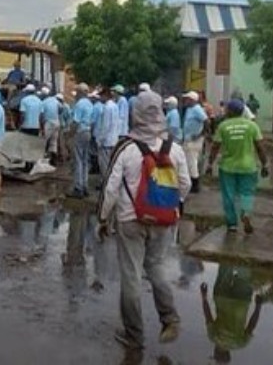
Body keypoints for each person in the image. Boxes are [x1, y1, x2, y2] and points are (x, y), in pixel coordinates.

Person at [96, 90, 191, 351]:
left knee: (131, 276)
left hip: (130, 220)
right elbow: (185, 184)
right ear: (160, 113)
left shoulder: (126, 148)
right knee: (156, 266)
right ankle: (170, 318)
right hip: (164, 220)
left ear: (136, 113)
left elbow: (110, 188)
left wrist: (103, 218)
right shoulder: (175, 148)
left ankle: (134, 336)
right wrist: (174, 207)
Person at [205, 99, 269, 234]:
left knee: (228, 195)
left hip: (228, 167)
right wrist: (265, 164)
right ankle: (245, 213)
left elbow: (215, 147)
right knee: (247, 193)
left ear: (230, 111)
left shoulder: (223, 126)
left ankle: (232, 224)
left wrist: (210, 164)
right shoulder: (252, 126)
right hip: (248, 167)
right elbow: (260, 147)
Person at [200, 265, 264, 363]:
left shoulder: (240, 343)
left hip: (241, 303)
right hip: (221, 298)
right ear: (216, 352)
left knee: (244, 275)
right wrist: (204, 297)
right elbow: (208, 315)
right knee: (225, 269)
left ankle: (244, 252)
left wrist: (258, 306)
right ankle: (229, 251)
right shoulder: (213, 337)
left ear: (229, 353)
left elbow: (252, 325)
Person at [67, 83, 94, 198]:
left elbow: (75, 122)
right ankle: (85, 185)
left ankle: (78, 187)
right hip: (88, 131)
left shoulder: (79, 104)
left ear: (80, 92)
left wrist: (69, 135)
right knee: (85, 160)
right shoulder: (90, 104)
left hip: (80, 132)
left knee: (78, 160)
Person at [182, 91, 209, 193]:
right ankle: (192, 182)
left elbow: (206, 121)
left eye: (187, 99)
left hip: (194, 141)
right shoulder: (190, 109)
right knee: (190, 161)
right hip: (188, 139)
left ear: (192, 100)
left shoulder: (197, 109)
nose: (185, 101)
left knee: (192, 162)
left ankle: (195, 185)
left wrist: (200, 134)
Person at [96, 88, 120, 178]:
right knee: (112, 163)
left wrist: (100, 140)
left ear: (105, 96)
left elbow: (105, 126)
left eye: (101, 96)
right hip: (114, 139)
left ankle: (105, 184)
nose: (100, 98)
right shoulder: (115, 106)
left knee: (104, 165)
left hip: (106, 141)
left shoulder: (107, 107)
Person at [41, 87, 61, 165]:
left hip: (48, 122)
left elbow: (42, 114)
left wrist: (41, 124)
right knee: (54, 141)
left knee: (44, 141)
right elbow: (60, 109)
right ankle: (54, 160)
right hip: (56, 122)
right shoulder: (55, 100)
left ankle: (42, 159)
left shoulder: (44, 102)